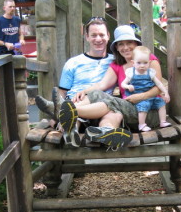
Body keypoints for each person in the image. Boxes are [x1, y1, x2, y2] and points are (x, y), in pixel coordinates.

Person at [37, 25, 168, 149]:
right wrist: (84, 91)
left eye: (129, 43)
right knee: (99, 96)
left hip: (150, 112)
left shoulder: (148, 59)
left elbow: (159, 87)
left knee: (109, 102)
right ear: (116, 47)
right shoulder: (117, 65)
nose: (125, 47)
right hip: (129, 111)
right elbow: (102, 85)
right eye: (121, 44)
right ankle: (103, 132)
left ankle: (63, 111)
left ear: (136, 44)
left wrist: (140, 97)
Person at [36, 17, 132, 150]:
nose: (98, 39)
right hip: (79, 104)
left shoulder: (116, 61)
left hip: (102, 109)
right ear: (86, 37)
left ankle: (106, 132)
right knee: (74, 116)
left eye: (101, 35)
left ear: (108, 36)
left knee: (114, 114)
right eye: (93, 35)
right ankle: (70, 131)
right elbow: (62, 92)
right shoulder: (73, 62)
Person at [121, 46, 170, 131]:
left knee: (161, 103)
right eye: (139, 63)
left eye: (145, 63)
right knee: (144, 105)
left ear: (149, 62)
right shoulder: (131, 73)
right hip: (138, 99)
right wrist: (128, 86)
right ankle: (142, 124)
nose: (142, 66)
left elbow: (159, 84)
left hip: (150, 97)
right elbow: (123, 84)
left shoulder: (150, 73)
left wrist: (166, 93)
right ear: (133, 63)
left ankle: (163, 121)